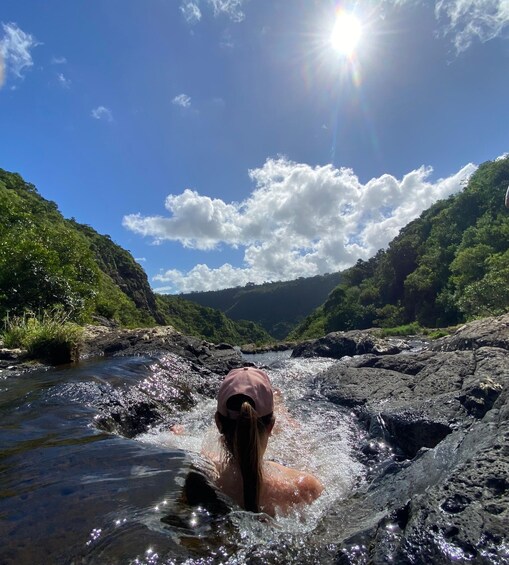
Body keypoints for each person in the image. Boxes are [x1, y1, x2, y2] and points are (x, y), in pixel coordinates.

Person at [204, 366, 323, 516]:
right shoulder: (304, 487)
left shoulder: (203, 478)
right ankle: (280, 408)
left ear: (218, 423)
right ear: (271, 426)